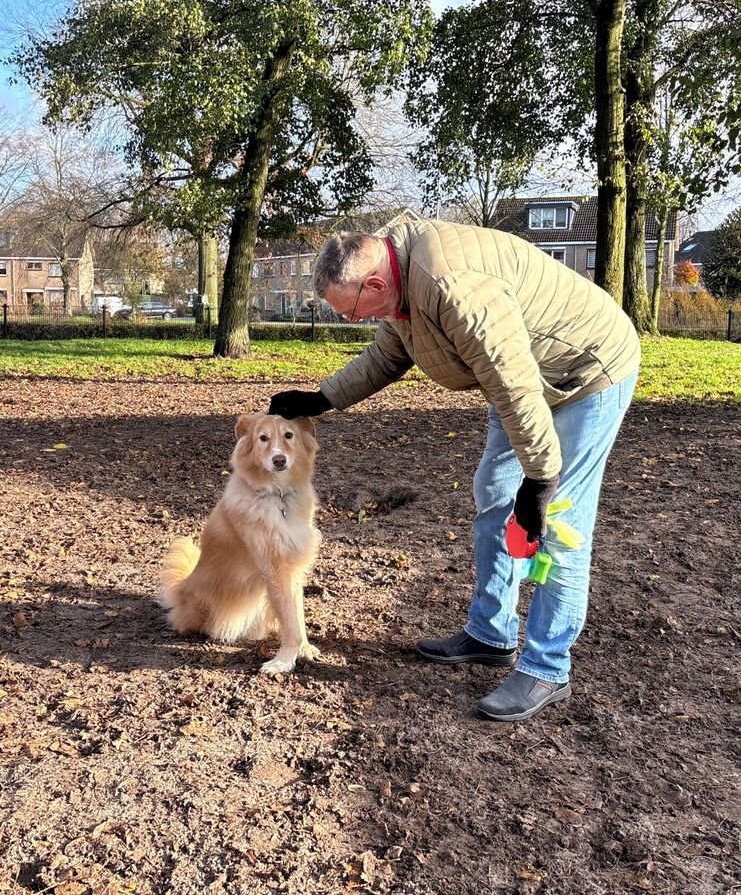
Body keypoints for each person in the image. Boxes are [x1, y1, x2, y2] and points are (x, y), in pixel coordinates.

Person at [269, 219, 639, 722]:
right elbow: (389, 353)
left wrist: (540, 482)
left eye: (351, 311)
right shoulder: (398, 277)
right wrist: (323, 397)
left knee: (560, 524)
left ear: (375, 284)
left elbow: (514, 387)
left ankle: (547, 667)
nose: (355, 321)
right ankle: (491, 634)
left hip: (585, 373)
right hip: (523, 379)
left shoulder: (455, 287)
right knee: (493, 489)